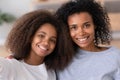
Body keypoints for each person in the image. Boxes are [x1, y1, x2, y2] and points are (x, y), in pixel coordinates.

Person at [0, 9, 74, 80]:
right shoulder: (11, 66)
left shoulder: (51, 72)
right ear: (30, 36)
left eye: (52, 40)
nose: (46, 43)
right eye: (41, 36)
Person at [55, 0, 120, 80]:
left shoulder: (115, 56)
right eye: (74, 28)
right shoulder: (60, 57)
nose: (81, 33)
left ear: (95, 25)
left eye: (86, 25)